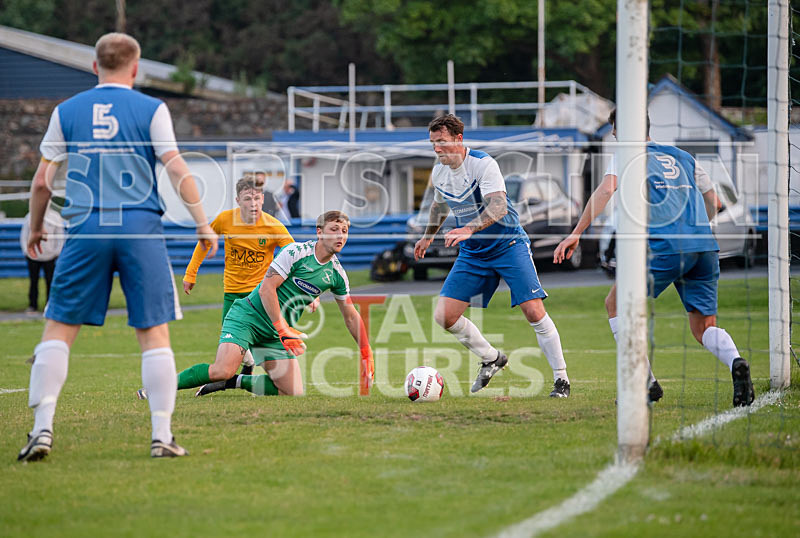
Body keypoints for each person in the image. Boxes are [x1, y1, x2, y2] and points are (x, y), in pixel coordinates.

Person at [18, 32, 219, 462]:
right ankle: (161, 436)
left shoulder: (66, 111)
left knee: (58, 329)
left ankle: (41, 429)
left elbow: (41, 183)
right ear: (136, 68)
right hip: (139, 226)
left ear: (95, 66)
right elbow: (177, 169)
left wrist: (35, 229)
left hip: (86, 226)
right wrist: (203, 224)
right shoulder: (152, 109)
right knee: (153, 332)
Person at [553, 109, 754, 407]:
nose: (614, 135)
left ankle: (644, 384)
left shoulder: (628, 154)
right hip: (704, 247)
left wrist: (576, 233)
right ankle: (736, 361)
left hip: (667, 247)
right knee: (703, 328)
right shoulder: (684, 156)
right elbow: (715, 201)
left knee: (615, 304)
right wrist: (696, 228)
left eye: (616, 129)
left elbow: (606, 189)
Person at [414, 114, 572, 397]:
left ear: (458, 139)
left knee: (533, 311)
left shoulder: (483, 164)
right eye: (433, 143)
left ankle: (561, 379)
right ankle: (491, 358)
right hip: (473, 253)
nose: (437, 148)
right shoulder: (439, 173)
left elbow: (498, 206)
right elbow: (439, 207)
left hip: (508, 245)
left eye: (442, 141)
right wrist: (427, 237)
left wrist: (468, 228)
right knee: (444, 316)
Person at [136, 175, 319, 399]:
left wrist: (309, 293)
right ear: (238, 200)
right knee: (226, 362)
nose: (253, 204)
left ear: (263, 199)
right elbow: (205, 243)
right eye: (247, 199)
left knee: (290, 389)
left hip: (260, 300)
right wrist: (191, 273)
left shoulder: (273, 226)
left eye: (257, 198)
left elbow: (296, 259)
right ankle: (165, 386)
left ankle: (237, 377)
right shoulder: (225, 220)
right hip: (233, 298)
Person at [175, 211, 374, 398]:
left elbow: (350, 316)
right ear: (319, 232)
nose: (340, 235)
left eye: (344, 231)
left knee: (292, 391)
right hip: (248, 318)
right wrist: (283, 328)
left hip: (275, 333)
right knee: (222, 369)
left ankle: (234, 381)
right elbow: (266, 289)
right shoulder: (296, 252)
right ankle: (164, 385)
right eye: (334, 229)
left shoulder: (337, 274)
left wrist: (367, 352)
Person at [20, 205, 64, 313]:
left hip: (50, 256)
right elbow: (24, 235)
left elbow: (60, 235)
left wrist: (56, 252)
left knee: (50, 281)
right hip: (33, 255)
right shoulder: (30, 216)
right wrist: (26, 251)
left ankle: (50, 305)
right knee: (33, 281)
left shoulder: (55, 217)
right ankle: (33, 305)